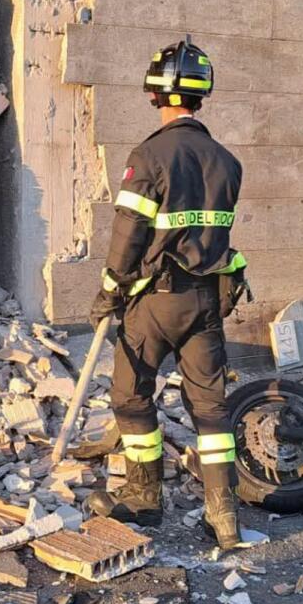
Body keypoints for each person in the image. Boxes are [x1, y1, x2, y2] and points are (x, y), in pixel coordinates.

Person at [85, 37, 247, 551]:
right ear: (203, 94)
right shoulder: (227, 162)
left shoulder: (149, 155)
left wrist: (110, 290)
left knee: (131, 396)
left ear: (155, 93)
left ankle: (143, 497)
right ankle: (224, 517)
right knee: (211, 409)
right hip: (206, 301)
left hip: (154, 300)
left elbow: (130, 230)